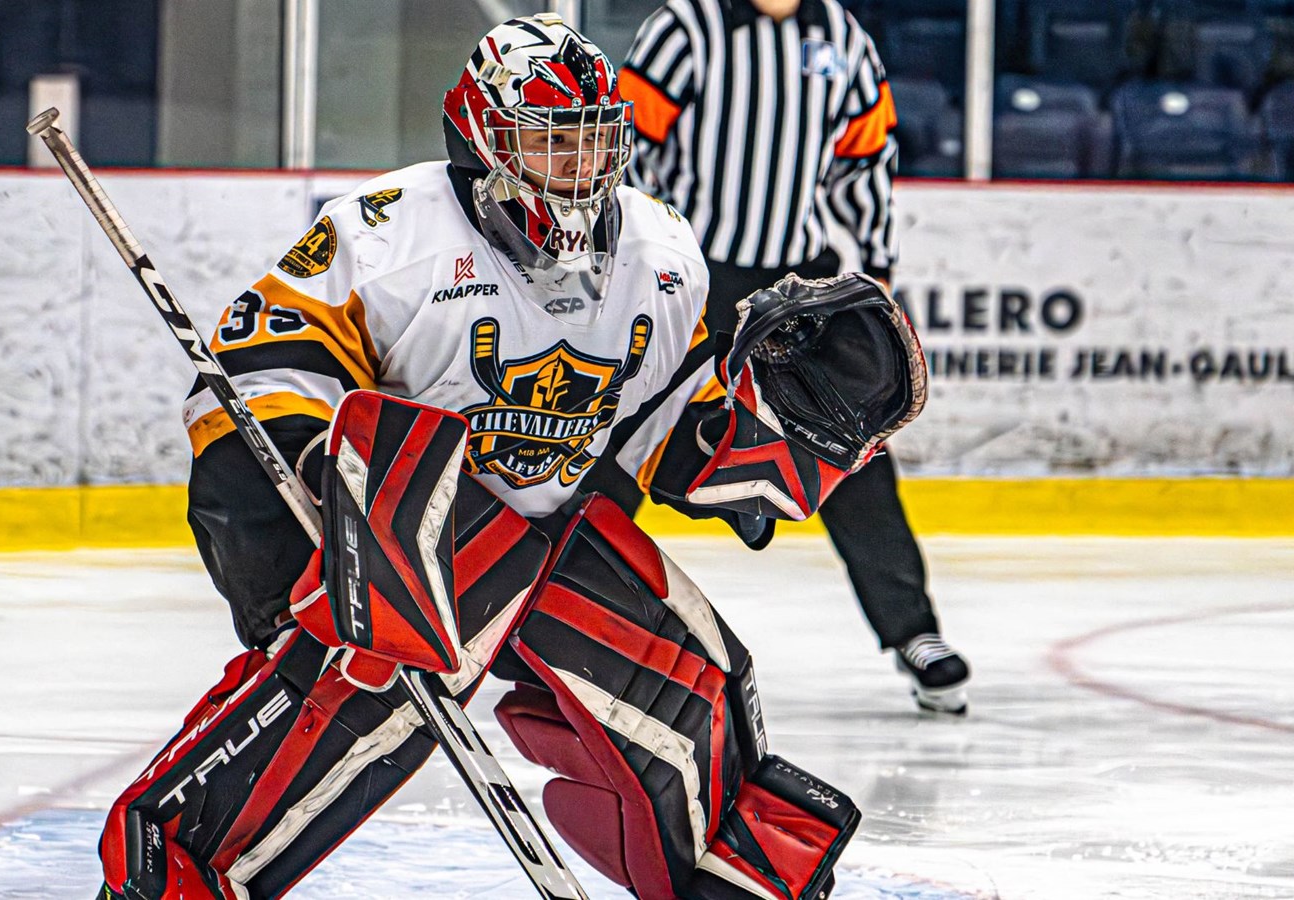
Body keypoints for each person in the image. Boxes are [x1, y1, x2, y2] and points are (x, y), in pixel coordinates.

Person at [95, 14, 926, 900]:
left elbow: (657, 426)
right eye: (552, 142)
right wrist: (304, 547)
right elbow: (257, 382)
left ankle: (727, 880)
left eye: (599, 143)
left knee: (695, 685)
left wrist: (768, 435)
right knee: (345, 707)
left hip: (546, 539)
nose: (584, 167)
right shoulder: (387, 233)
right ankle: (172, 875)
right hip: (398, 548)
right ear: (485, 137)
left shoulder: (663, 254)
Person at [591, 0, 972, 714]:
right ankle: (553, 599)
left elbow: (866, 158)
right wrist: (631, 255)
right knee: (630, 433)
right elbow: (627, 149)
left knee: (849, 447)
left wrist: (878, 267)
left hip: (802, 287)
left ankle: (913, 632)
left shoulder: (841, 36)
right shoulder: (688, 25)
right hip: (692, 273)